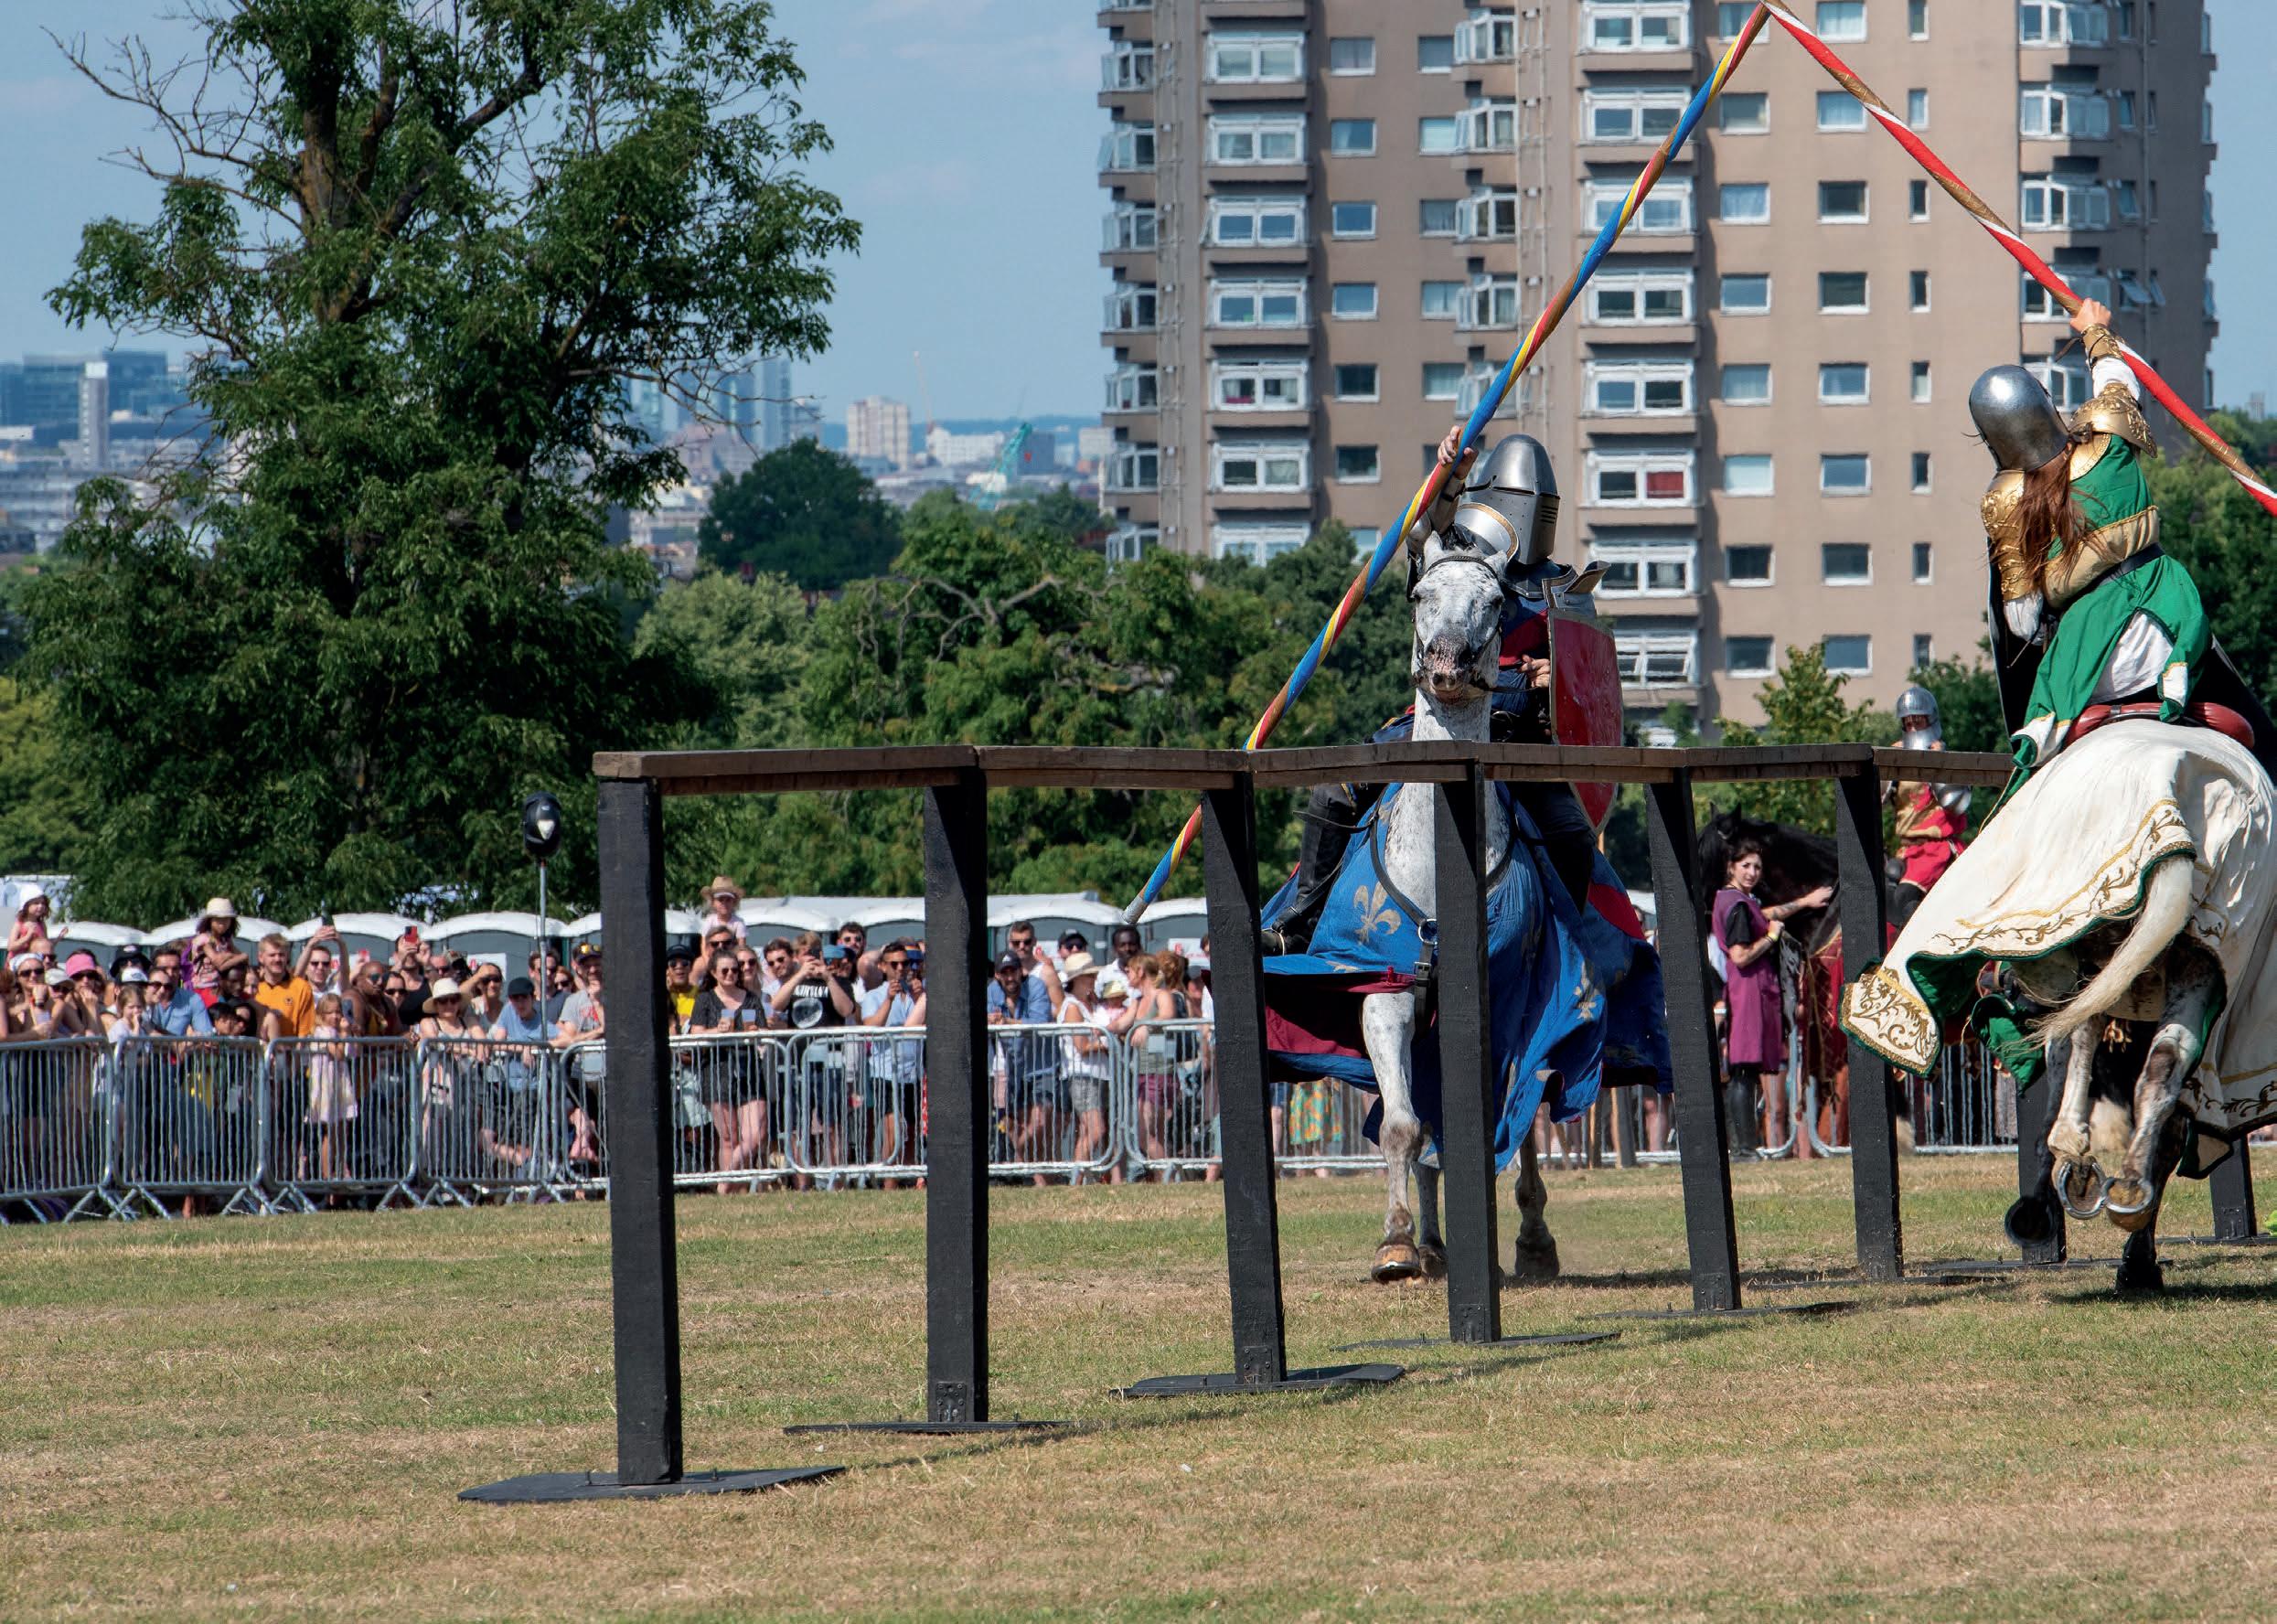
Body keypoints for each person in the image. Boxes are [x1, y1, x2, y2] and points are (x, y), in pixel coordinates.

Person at [1266, 425, 1598, 956]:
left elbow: (1590, 685)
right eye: (1518, 497)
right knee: (1334, 792)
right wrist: (1451, 475)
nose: (1530, 511)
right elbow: (1425, 530)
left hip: (1520, 740)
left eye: (1541, 502)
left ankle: (1568, 951)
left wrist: (1552, 676)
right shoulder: (1457, 560)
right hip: (1436, 719)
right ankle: (1300, 922)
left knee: (1572, 834)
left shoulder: (1565, 585)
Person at [1972, 299, 2215, 784]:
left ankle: (2040, 740)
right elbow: (2118, 382)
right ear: (2045, 403)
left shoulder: (2005, 505)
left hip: (2089, 663)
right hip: (2163, 628)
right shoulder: (2108, 443)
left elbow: (2022, 623)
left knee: (2033, 779)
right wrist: (2094, 330)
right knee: (2244, 724)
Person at [1713, 843, 1831, 1159]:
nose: (1752, 873)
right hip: (1748, 992)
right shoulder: (1737, 905)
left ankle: (1744, 1147)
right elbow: (1740, 956)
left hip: (1751, 992)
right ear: (1731, 867)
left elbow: (1765, 915)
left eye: (1757, 867)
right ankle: (1743, 1149)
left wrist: (1804, 902)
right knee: (1743, 1071)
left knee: (1747, 1071)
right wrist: (1771, 938)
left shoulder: (1738, 902)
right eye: (1746, 866)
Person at [1884, 687, 1972, 934]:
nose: (1913, 729)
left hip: (1936, 850)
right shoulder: (1897, 758)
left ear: (1930, 721)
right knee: (1882, 896)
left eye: (1918, 722)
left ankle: (1919, 947)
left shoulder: (1942, 757)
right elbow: (1876, 799)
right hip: (1906, 851)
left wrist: (1937, 764)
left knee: (1905, 897)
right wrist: (1888, 765)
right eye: (1908, 723)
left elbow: (1956, 804)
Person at [690, 946, 770, 1191]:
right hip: (717, 1069)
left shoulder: (751, 998)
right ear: (714, 973)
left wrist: (756, 1031)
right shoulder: (705, 999)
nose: (731, 974)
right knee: (728, 1137)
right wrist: (717, 1031)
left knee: (756, 1135)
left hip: (749, 1070)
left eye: (735, 970)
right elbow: (695, 1034)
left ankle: (724, 1183)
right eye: (724, 970)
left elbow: (764, 1032)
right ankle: (734, 1193)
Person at [858, 940, 926, 1186]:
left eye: (905, 963)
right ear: (883, 966)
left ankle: (907, 1182)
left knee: (911, 1133)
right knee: (893, 1130)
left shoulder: (918, 993)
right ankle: (888, 1185)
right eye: (894, 964)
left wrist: (919, 998)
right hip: (886, 1073)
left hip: (913, 1072)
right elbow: (870, 1027)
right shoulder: (874, 995)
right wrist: (888, 999)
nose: (900, 968)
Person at [987, 947, 1060, 1177]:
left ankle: (1016, 1164)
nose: (1010, 977)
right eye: (1005, 972)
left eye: (1014, 971)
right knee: (1017, 1124)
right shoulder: (991, 991)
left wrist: (1006, 1021)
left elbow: (1039, 1022)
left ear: (1021, 971)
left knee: (1039, 1124)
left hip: (1042, 1066)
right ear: (997, 975)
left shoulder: (1036, 986)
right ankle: (1036, 1182)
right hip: (1014, 1070)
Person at [1053, 953, 1118, 1182]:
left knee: (1089, 1130)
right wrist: (1107, 1043)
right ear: (1077, 979)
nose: (1093, 979)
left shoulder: (1087, 1005)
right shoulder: (1072, 1007)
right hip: (1082, 1075)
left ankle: (1080, 1180)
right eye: (1089, 976)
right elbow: (1081, 1046)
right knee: (1096, 1129)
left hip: (1096, 1074)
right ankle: (1076, 1179)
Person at [251, 933, 316, 1039]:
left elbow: (305, 1033)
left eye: (281, 955)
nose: (277, 959)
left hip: (289, 1048)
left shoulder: (301, 987)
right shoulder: (252, 987)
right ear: (261, 958)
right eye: (272, 955)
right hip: (256, 1048)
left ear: (287, 957)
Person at [187, 899, 249, 1003]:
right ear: (210, 921)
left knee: (246, 1003)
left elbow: (240, 957)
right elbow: (219, 964)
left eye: (226, 920)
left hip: (223, 986)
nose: (222, 924)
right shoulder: (204, 939)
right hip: (204, 987)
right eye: (218, 920)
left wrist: (235, 957)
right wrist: (239, 957)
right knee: (221, 1007)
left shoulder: (226, 940)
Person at [1003, 920, 1062, 1010]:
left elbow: (1061, 1008)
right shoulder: (1004, 972)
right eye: (1016, 943)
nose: (1022, 946)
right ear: (1010, 944)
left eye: (1027, 942)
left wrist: (1040, 1016)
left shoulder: (1046, 973)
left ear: (1034, 941)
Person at [8, 885, 52, 955]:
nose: (40, 906)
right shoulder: (20, 924)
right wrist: (27, 937)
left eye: (43, 903)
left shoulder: (41, 924)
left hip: (37, 959)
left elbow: (45, 945)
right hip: (19, 959)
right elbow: (10, 947)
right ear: (26, 905)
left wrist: (58, 938)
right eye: (36, 903)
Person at [702, 876, 748, 944]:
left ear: (734, 902)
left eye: (728, 900)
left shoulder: (738, 923)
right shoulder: (709, 922)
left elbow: (741, 947)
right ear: (713, 902)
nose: (724, 903)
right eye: (720, 900)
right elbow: (704, 946)